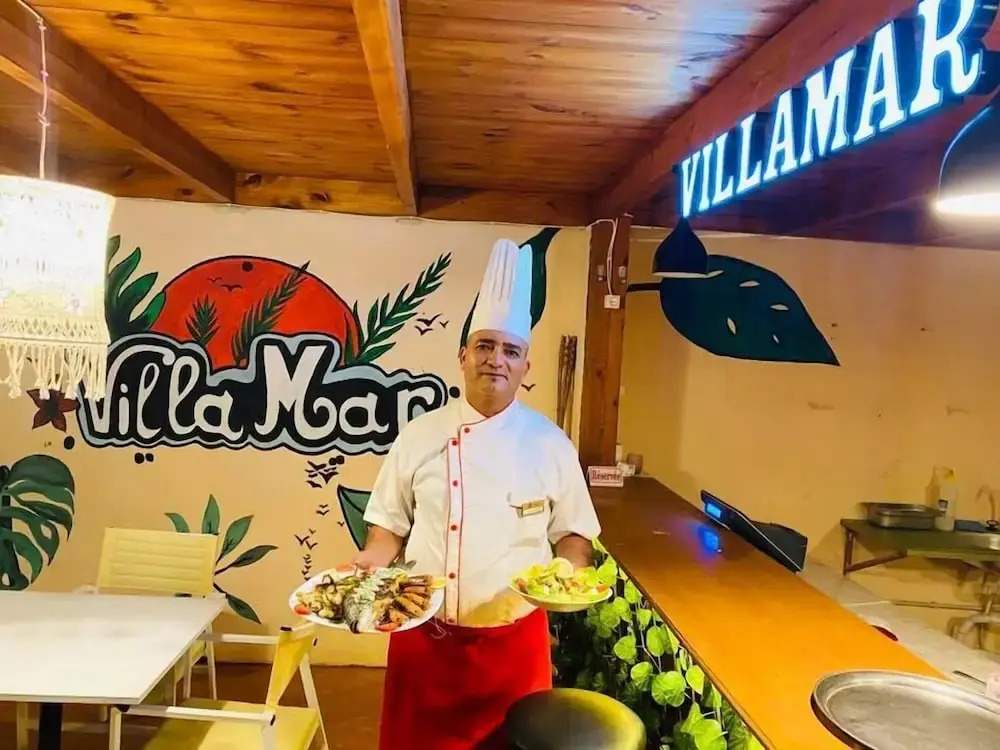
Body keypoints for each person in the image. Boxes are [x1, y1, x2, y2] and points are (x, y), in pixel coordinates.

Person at [349, 238, 601, 750]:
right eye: (484, 346)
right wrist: (369, 563)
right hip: (424, 641)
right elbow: (388, 528)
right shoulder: (419, 435)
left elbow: (574, 537)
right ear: (462, 356)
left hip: (513, 647)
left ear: (526, 366)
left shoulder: (551, 444)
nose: (495, 360)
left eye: (510, 351)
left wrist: (571, 576)